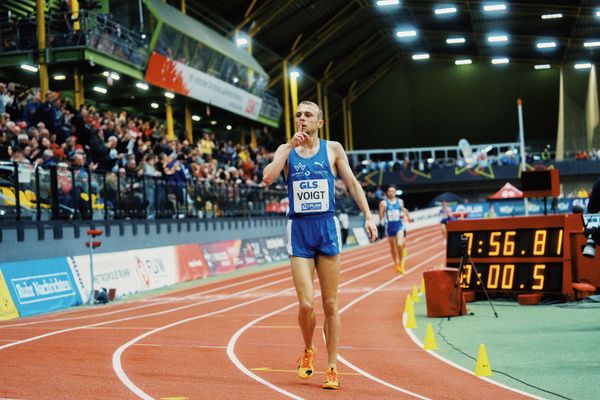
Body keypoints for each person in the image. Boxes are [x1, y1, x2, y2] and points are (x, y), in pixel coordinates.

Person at [262, 100, 377, 390]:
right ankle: (309, 349)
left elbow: (352, 184)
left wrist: (368, 216)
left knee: (330, 304)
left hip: (326, 228)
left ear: (319, 123)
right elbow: (267, 177)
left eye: (308, 115)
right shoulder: (285, 151)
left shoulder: (333, 148)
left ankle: (332, 366)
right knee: (305, 303)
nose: (302, 119)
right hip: (299, 230)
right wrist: (287, 147)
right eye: (298, 115)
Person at [378, 185, 411, 273]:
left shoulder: (400, 201)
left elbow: (402, 209)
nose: (391, 193)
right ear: (387, 193)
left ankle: (400, 263)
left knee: (399, 244)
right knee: (393, 247)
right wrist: (381, 211)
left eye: (393, 191)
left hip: (399, 225)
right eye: (390, 191)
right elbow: (380, 216)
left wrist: (407, 215)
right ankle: (395, 262)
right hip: (389, 226)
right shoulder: (383, 203)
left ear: (395, 192)